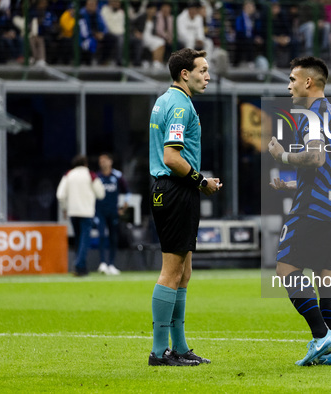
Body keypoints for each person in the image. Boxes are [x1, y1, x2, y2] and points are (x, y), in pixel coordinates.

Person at [268, 56, 331, 366]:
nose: (288, 85)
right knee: (326, 277)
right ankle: (330, 352)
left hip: (313, 209)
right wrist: (295, 186)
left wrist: (283, 156)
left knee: (286, 270)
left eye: (292, 79)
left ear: (308, 82)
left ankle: (321, 336)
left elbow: (314, 158)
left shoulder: (312, 115)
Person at [148, 48, 220, 367]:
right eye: (202, 70)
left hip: (174, 190)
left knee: (184, 272)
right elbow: (171, 157)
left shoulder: (167, 99)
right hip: (175, 189)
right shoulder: (179, 105)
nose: (208, 75)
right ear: (184, 74)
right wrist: (202, 182)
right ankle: (159, 350)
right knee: (171, 271)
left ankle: (178, 346)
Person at [56, 154, 106, 276]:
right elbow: (101, 193)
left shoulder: (69, 175)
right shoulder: (90, 175)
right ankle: (79, 264)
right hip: (86, 212)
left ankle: (81, 268)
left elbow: (60, 194)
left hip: (73, 212)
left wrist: (64, 208)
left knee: (79, 239)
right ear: (85, 164)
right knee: (85, 239)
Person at [95, 153, 130, 276]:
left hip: (113, 211)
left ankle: (111, 264)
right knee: (101, 236)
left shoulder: (118, 176)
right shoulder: (97, 177)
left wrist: (124, 207)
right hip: (100, 211)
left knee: (113, 237)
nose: (102, 163)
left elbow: (127, 192)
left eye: (104, 160)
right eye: (100, 161)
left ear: (110, 161)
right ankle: (103, 263)